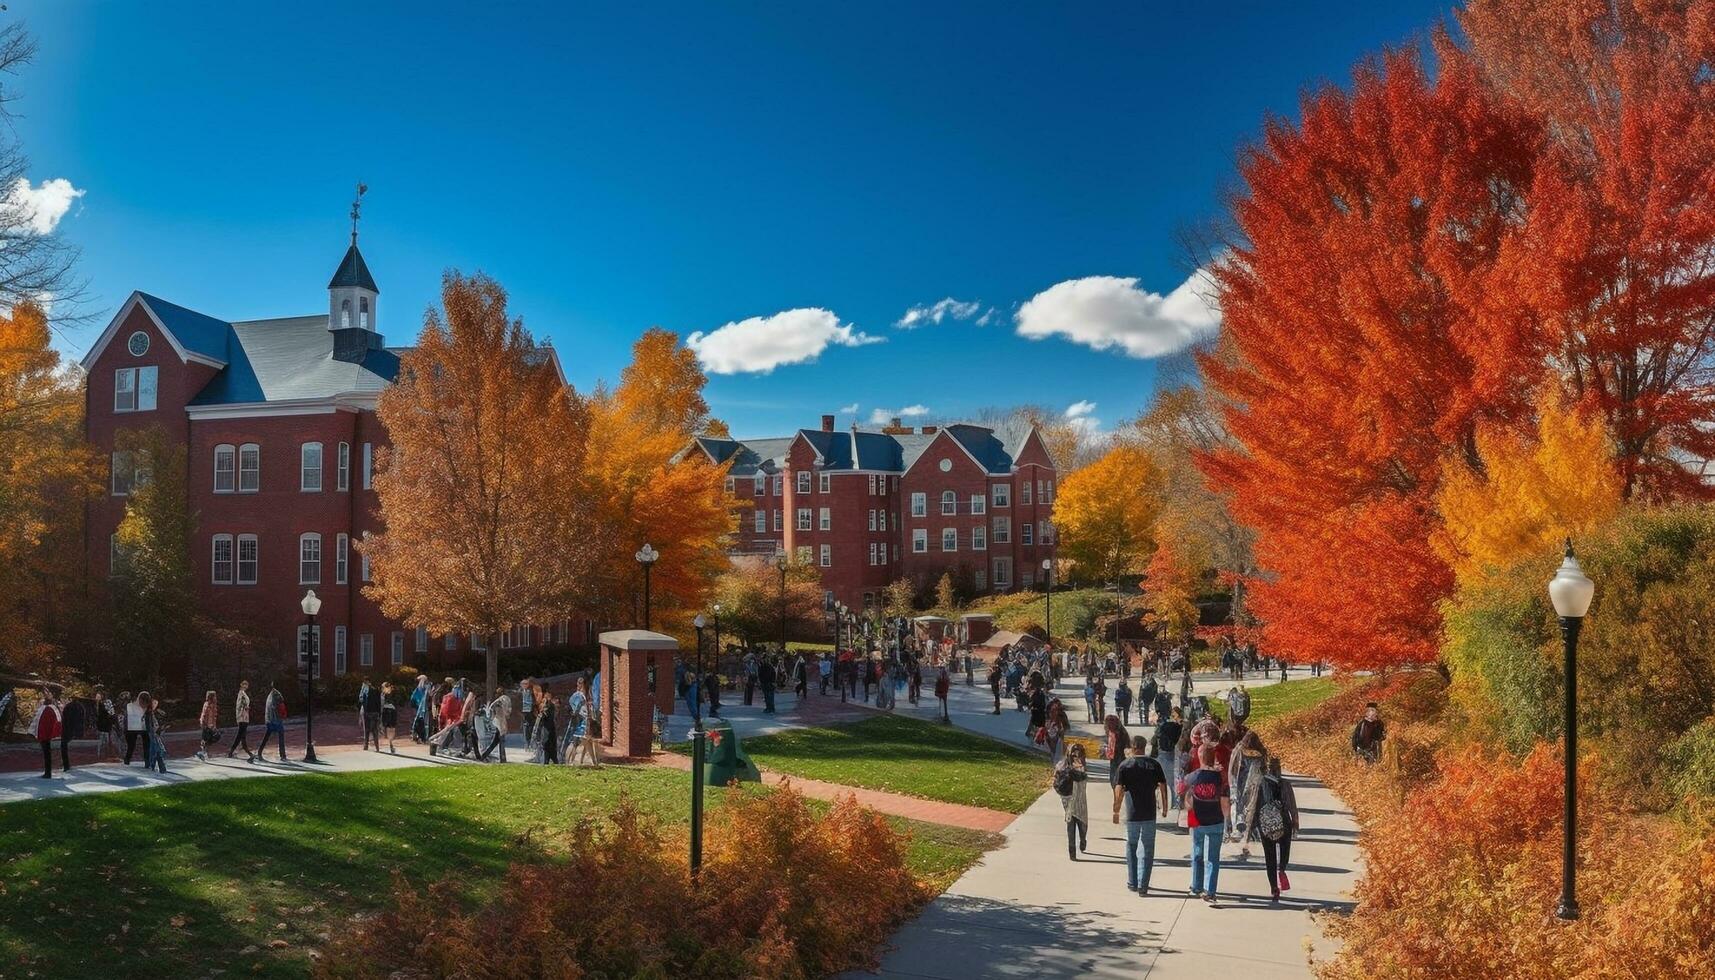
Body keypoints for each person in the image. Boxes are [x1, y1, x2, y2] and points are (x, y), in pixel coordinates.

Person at [1111, 735, 1169, 893]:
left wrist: (1116, 810)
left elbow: (1119, 790)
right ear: (1145, 747)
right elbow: (1163, 786)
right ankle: (1144, 885)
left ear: (1131, 747)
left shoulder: (1125, 766)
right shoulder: (1154, 764)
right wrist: (1164, 807)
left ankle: (1132, 881)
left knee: (1131, 846)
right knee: (1148, 849)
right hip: (1149, 813)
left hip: (1132, 814)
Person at [1181, 744, 1231, 904]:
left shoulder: (1193, 776)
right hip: (1216, 819)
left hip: (1196, 819)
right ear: (1214, 757)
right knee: (1213, 858)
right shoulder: (1221, 777)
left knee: (1197, 853)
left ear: (1200, 757)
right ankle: (1210, 891)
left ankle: (1196, 885)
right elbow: (1225, 801)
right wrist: (1227, 819)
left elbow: (1181, 790)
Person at [1255, 756, 1300, 900]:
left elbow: (1254, 806)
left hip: (1265, 825)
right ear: (1279, 768)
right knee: (1285, 850)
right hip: (1284, 822)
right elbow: (1292, 806)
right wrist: (1295, 822)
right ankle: (1282, 869)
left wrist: (1253, 826)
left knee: (1270, 856)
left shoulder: (1259, 784)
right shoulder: (1285, 784)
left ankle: (1274, 887)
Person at [1228, 731, 1267, 859]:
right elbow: (1264, 771)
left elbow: (1232, 769)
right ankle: (1245, 843)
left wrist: (1232, 785)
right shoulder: (1260, 752)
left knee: (1239, 811)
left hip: (1239, 786)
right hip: (1254, 788)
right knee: (1250, 815)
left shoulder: (1239, 749)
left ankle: (1238, 835)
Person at [1056, 743, 1091, 859]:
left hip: (1078, 799)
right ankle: (1072, 850)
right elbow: (1056, 782)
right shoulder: (1064, 766)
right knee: (1072, 825)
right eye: (1074, 753)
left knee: (1082, 824)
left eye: (1079, 753)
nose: (1076, 755)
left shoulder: (1078, 766)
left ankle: (1082, 841)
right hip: (1070, 799)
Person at [31, 686, 62, 779]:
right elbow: (38, 719)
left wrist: (52, 733)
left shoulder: (53, 707)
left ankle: (48, 772)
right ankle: (47, 772)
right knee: (46, 753)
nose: (46, 694)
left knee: (47, 753)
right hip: (42, 733)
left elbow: (58, 721)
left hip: (46, 734)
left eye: (48, 693)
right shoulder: (44, 705)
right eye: (45, 692)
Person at [1156, 708, 1184, 810]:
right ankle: (1174, 803)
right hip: (1173, 755)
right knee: (1172, 783)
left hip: (1164, 755)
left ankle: (1164, 803)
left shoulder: (1165, 728)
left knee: (1163, 782)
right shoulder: (1177, 729)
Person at [480, 686, 511, 762]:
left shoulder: (498, 701)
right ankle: (502, 758)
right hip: (500, 723)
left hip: (499, 722)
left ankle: (484, 755)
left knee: (495, 741)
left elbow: (492, 712)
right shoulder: (501, 701)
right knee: (501, 741)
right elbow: (506, 713)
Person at [258, 683, 287, 761]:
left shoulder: (270, 695)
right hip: (276, 719)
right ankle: (283, 755)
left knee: (267, 737)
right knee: (281, 736)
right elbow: (281, 705)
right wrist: (283, 715)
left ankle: (259, 752)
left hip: (269, 719)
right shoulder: (277, 694)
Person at [228, 680, 255, 762]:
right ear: (241, 685)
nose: (246, 686)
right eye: (244, 684)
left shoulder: (243, 693)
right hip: (242, 717)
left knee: (242, 736)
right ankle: (247, 752)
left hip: (244, 717)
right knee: (240, 735)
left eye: (247, 684)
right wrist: (246, 708)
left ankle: (236, 752)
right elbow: (242, 705)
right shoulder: (242, 694)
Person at [1102, 714, 1130, 789]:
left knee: (1119, 775)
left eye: (1112, 724)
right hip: (1113, 757)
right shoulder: (1109, 731)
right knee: (1114, 776)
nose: (1110, 725)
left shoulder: (1122, 733)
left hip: (1121, 756)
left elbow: (1127, 745)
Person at [143, 695, 168, 774]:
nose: (155, 705)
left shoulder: (151, 713)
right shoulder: (149, 714)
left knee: (155, 751)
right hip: (152, 735)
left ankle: (153, 766)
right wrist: (155, 732)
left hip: (154, 734)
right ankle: (160, 767)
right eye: (154, 704)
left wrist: (160, 729)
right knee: (157, 751)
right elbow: (150, 726)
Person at [95, 686, 119, 762]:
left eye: (98, 695)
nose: (97, 696)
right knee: (104, 740)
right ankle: (103, 754)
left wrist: (112, 721)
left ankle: (104, 754)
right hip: (104, 724)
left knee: (105, 740)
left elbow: (111, 713)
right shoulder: (99, 704)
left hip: (105, 724)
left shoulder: (105, 703)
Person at [358, 678, 383, 751]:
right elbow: (379, 702)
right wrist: (379, 713)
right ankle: (377, 747)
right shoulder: (377, 690)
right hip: (375, 712)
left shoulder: (365, 690)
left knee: (366, 729)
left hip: (367, 712)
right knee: (375, 730)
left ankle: (366, 746)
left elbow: (362, 700)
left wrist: (362, 690)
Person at [123, 691, 148, 765]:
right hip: (133, 727)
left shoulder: (144, 706)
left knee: (144, 743)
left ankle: (147, 760)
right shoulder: (130, 706)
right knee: (132, 745)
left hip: (138, 727)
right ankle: (128, 759)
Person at [1043, 697, 1069, 765]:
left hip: (1053, 729)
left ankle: (1054, 759)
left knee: (1053, 747)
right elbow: (1066, 724)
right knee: (1055, 747)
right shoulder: (1060, 712)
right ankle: (1056, 760)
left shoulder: (1052, 709)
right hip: (1055, 729)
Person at [196, 690, 220, 761]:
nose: (216, 698)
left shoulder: (213, 705)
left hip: (211, 725)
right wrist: (204, 724)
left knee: (214, 737)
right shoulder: (208, 705)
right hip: (206, 725)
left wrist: (214, 726)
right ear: (212, 697)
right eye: (214, 696)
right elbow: (204, 715)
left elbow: (214, 717)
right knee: (208, 738)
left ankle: (203, 753)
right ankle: (203, 753)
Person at [537, 691, 560, 764]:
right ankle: (549, 760)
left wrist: (542, 712)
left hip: (548, 729)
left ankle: (550, 761)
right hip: (548, 729)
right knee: (548, 747)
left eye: (547, 697)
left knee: (548, 746)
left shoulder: (550, 706)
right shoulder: (548, 706)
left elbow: (546, 716)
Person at [380, 681, 400, 753]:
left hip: (390, 712)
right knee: (389, 728)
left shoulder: (391, 694)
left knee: (392, 728)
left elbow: (397, 702)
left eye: (383, 687)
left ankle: (391, 743)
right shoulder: (383, 694)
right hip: (387, 711)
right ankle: (390, 743)